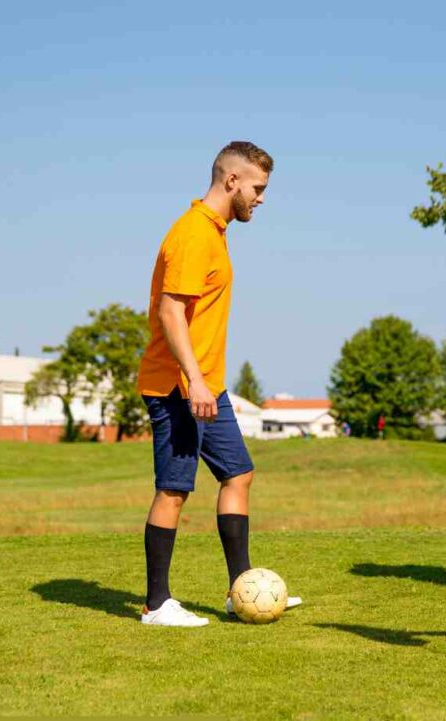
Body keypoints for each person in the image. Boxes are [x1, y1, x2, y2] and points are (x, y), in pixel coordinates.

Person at [136, 141, 302, 627]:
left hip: (207, 385)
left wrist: (207, 383)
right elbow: (171, 312)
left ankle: (242, 590)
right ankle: (156, 604)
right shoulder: (193, 234)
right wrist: (194, 381)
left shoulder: (215, 231)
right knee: (173, 490)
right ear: (232, 181)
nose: (261, 199)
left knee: (239, 474)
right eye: (258, 188)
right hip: (178, 387)